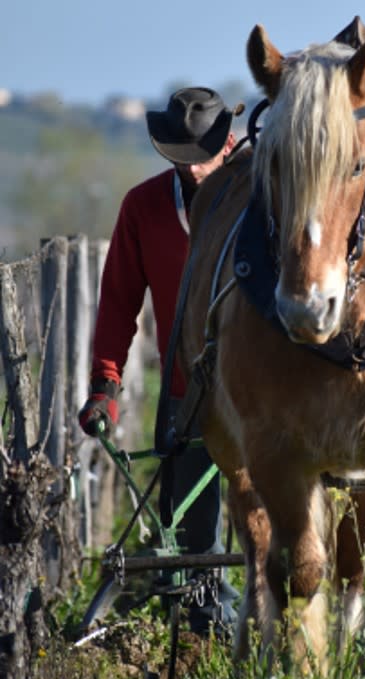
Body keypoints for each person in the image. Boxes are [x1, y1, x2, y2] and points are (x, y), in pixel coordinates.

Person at [78, 86, 242, 636]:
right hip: (185, 392)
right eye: (180, 161)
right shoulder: (143, 209)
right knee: (196, 549)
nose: (192, 173)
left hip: (264, 397)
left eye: (202, 160)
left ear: (230, 145)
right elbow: (119, 302)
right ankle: (207, 639)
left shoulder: (262, 201)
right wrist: (106, 383)